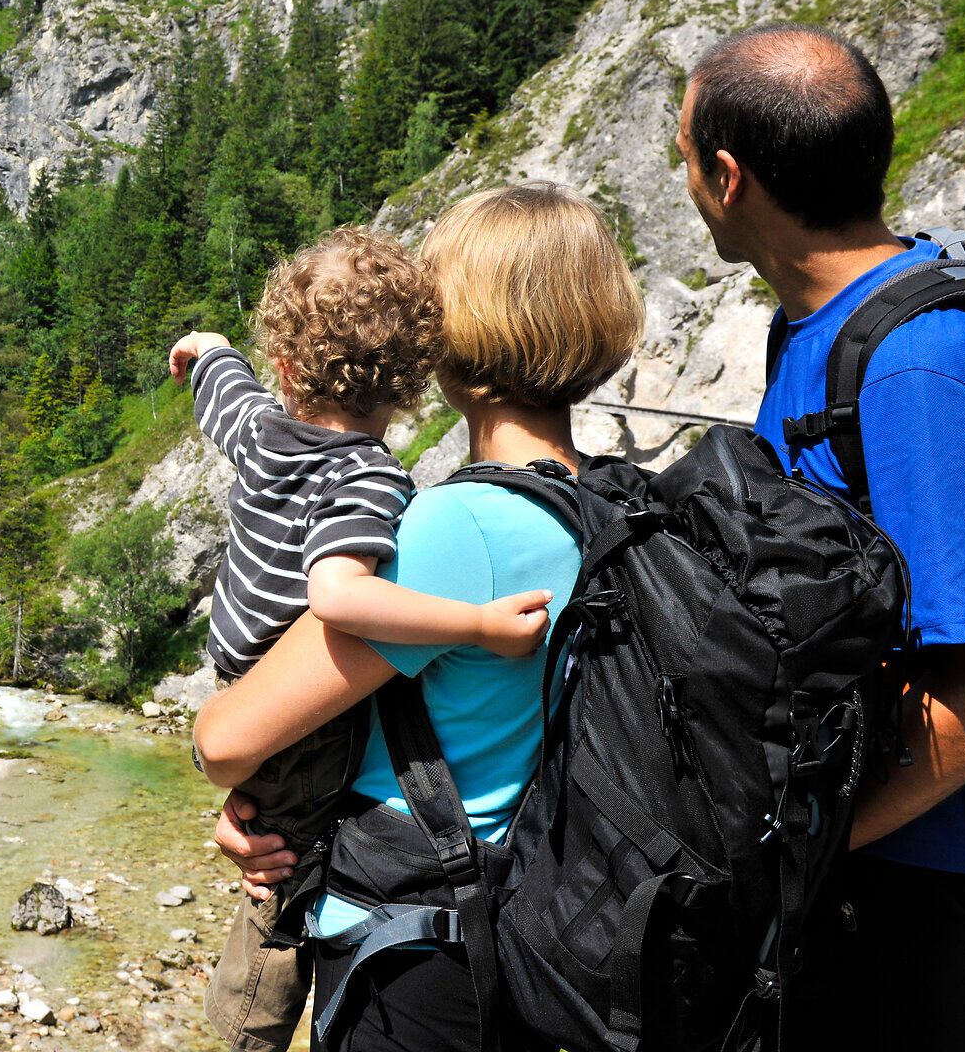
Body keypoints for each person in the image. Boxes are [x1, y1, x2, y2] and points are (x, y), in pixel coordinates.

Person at [198, 183, 644, 1051]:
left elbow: (224, 740)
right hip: (531, 910)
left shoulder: (450, 528)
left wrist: (259, 804)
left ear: (453, 336)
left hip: (411, 947)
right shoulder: (607, 500)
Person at [673, 22, 965, 1051]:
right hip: (843, 883)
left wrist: (803, 851)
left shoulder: (917, 363)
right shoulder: (819, 330)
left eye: (683, 159)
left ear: (729, 178)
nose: (685, 182)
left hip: (892, 901)